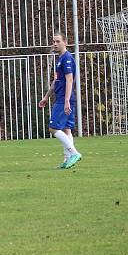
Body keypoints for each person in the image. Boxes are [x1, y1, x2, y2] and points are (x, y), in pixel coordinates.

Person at [38, 32, 82, 169]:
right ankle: (67, 159)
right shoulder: (60, 59)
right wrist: (46, 96)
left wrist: (67, 100)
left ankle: (74, 153)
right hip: (63, 97)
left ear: (65, 42)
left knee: (53, 128)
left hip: (64, 98)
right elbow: (57, 81)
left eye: (58, 41)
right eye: (53, 41)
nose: (55, 44)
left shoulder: (67, 58)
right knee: (66, 129)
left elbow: (70, 79)